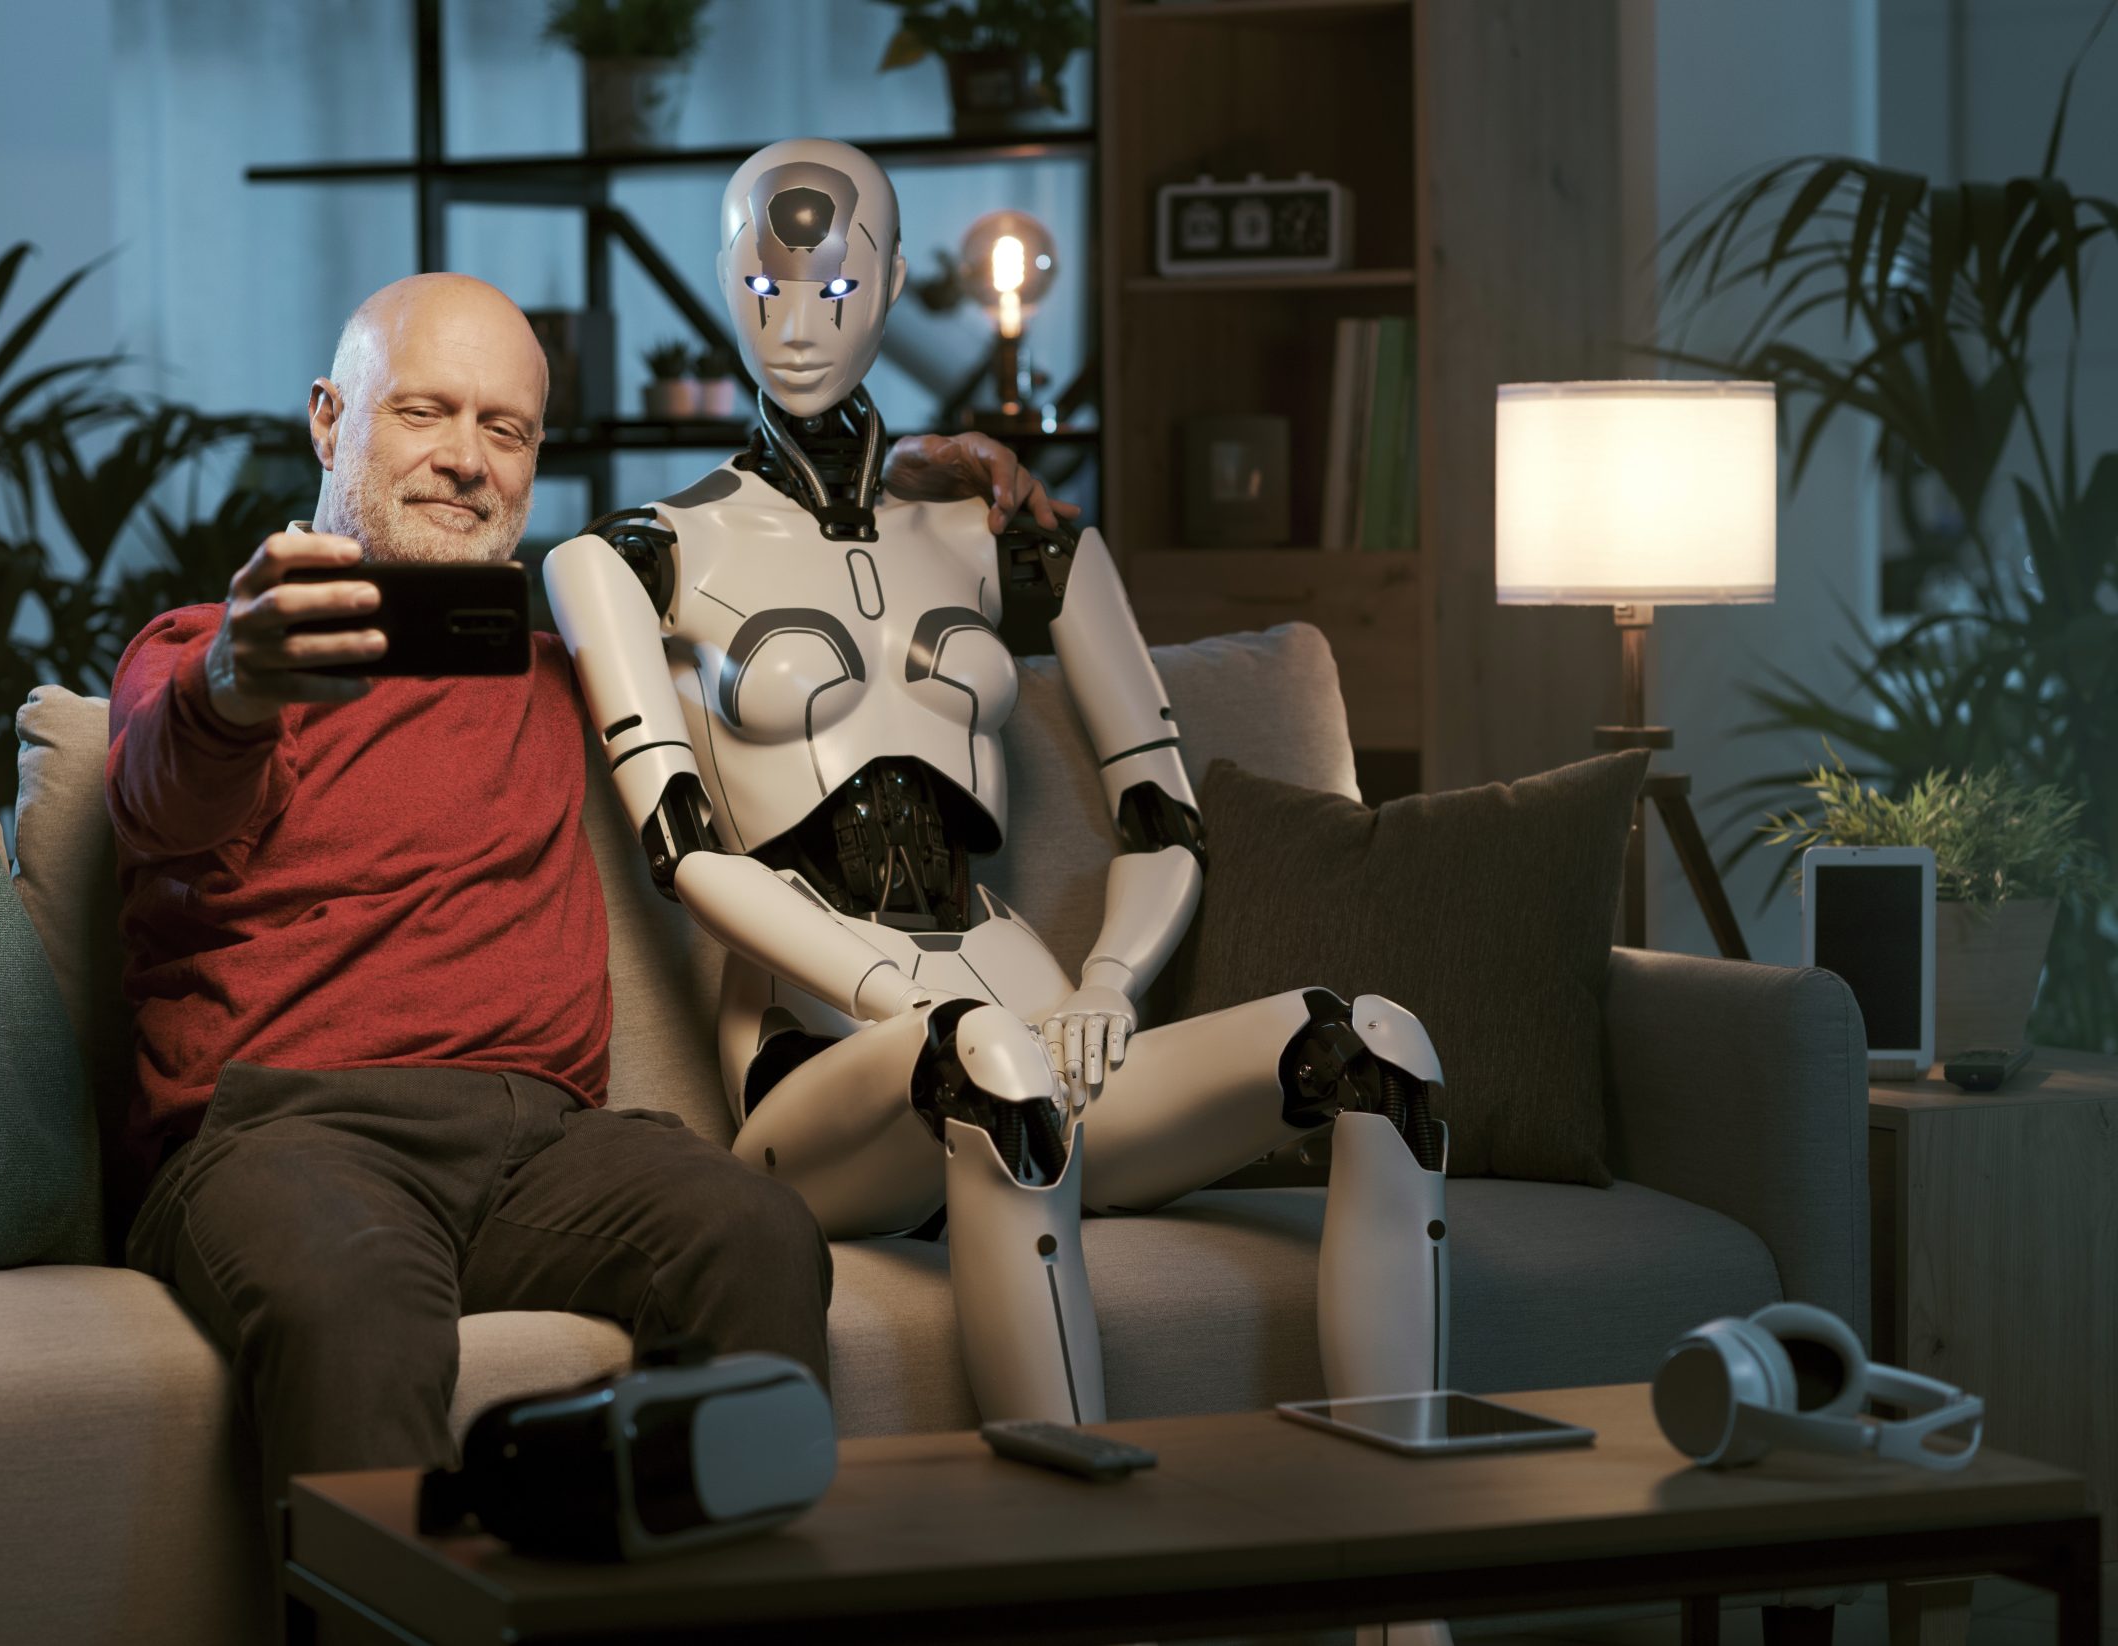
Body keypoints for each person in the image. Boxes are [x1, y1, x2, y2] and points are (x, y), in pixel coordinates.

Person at [103, 271, 1075, 1511]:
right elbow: (158, 799)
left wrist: (911, 495)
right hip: (290, 1136)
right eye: (423, 412)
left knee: (754, 1230)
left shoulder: (578, 673)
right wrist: (238, 683)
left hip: (544, 1146)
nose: (465, 459)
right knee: (346, 1301)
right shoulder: (204, 648)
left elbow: (813, 627)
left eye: (502, 429)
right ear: (327, 420)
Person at [545, 140, 1452, 1436]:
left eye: (839, 291)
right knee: (990, 1067)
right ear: (724, 282)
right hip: (828, 1063)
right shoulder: (632, 556)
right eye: (765, 287)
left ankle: (1407, 1614)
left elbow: (1163, 811)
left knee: (1375, 1049)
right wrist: (882, 984)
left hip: (1033, 1007)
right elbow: (685, 848)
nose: (798, 326)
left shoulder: (1004, 537)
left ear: (899, 279)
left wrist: (1108, 982)